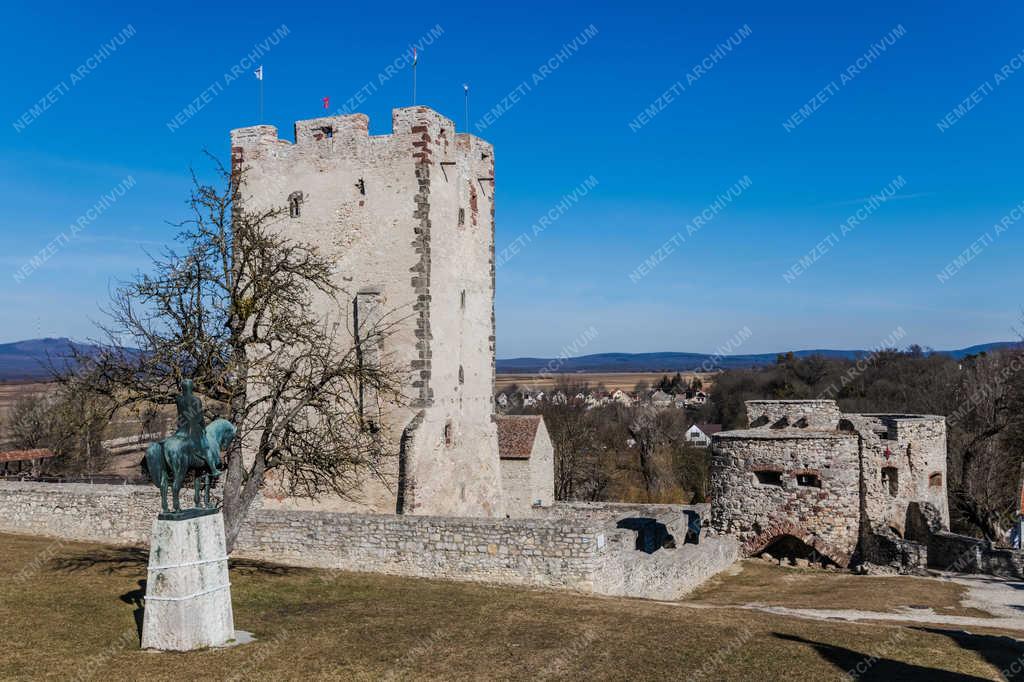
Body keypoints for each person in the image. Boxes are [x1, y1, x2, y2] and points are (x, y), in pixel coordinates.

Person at [174, 379, 220, 476]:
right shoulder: (196, 400)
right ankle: (213, 470)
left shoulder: (178, 400)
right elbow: (199, 417)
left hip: (182, 427)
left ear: (183, 387)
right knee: (206, 447)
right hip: (194, 428)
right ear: (191, 387)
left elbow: (179, 415)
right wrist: (203, 427)